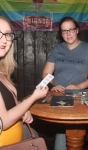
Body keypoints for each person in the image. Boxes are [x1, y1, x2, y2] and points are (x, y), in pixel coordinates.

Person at [42, 16, 88, 150]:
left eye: (71, 30)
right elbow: (46, 73)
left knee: (69, 131)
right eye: (64, 31)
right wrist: (54, 84)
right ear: (61, 34)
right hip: (58, 96)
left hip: (79, 97)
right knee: (62, 131)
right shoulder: (57, 50)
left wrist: (79, 86)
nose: (68, 34)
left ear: (78, 30)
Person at [0, 15, 49, 147]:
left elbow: (10, 105)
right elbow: (3, 121)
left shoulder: (2, 72)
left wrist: (23, 111)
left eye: (7, 35)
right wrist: (34, 97)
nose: (4, 40)